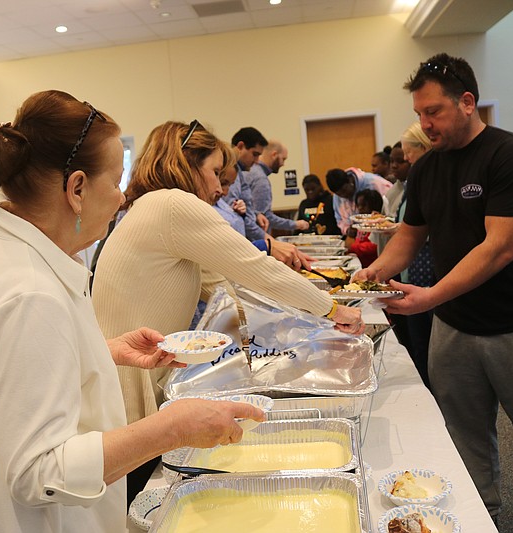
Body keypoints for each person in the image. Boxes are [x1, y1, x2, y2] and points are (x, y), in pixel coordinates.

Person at [0, 91, 265, 532]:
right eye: (114, 181)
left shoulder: (10, 248)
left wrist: (101, 350)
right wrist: (172, 428)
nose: (121, 195)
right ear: (77, 189)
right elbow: (40, 471)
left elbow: (8, 368)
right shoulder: (27, 292)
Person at [352, 53, 513, 531]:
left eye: (433, 112)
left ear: (466, 102)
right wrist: (369, 275)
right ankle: (483, 520)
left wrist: (431, 296)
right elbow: (410, 236)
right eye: (419, 114)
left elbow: (499, 248)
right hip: (454, 329)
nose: (425, 124)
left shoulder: (512, 154)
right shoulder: (426, 170)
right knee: (463, 441)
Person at [92, 120, 364, 498]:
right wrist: (333, 310)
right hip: (127, 380)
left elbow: (224, 287)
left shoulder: (154, 206)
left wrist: (291, 337)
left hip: (128, 370)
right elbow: (257, 269)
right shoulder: (172, 204)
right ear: (186, 164)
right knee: (133, 490)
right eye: (214, 172)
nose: (221, 187)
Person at [396, 121, 435, 389]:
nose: (407, 159)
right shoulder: (417, 179)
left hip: (427, 273)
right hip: (412, 269)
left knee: (426, 343)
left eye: (409, 154)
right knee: (415, 341)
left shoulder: (430, 180)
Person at [246, 140, 310, 233]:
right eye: (283, 159)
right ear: (274, 155)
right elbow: (264, 217)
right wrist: (296, 224)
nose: (283, 164)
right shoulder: (261, 179)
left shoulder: (251, 171)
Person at [223, 127, 269, 240]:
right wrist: (268, 240)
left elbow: (245, 204)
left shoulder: (239, 171)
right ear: (240, 146)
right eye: (255, 154)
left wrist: (256, 214)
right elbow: (233, 214)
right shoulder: (230, 170)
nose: (257, 160)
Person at [325, 166, 392, 235]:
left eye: (344, 190)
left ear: (350, 181)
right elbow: (340, 220)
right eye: (339, 195)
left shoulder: (375, 183)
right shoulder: (337, 197)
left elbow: (392, 209)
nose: (344, 195)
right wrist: (347, 230)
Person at [348, 188, 382, 267]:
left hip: (374, 265)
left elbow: (374, 246)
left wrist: (353, 247)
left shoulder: (379, 223)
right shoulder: (361, 224)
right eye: (358, 205)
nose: (360, 208)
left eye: (363, 205)